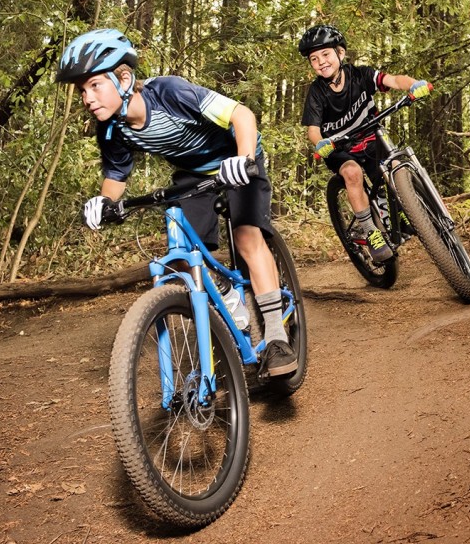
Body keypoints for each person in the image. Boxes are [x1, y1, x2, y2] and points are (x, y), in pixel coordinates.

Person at [57, 28, 297, 377]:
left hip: (238, 158)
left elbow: (241, 115)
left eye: (95, 85)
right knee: (181, 255)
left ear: (124, 78)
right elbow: (116, 176)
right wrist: (104, 201)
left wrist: (243, 160)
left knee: (246, 238)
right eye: (82, 90)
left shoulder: (169, 93)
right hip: (194, 174)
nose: (87, 98)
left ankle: (276, 338)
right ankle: (228, 298)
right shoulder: (112, 128)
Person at [298, 24, 430, 263]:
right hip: (339, 149)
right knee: (352, 172)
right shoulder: (317, 92)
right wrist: (320, 144)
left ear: (340, 53)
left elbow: (394, 80)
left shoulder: (361, 75)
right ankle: (371, 232)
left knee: (392, 164)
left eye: (325, 54)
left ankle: (407, 212)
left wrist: (413, 84)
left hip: (370, 139)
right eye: (314, 59)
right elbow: (313, 130)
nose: (321, 62)